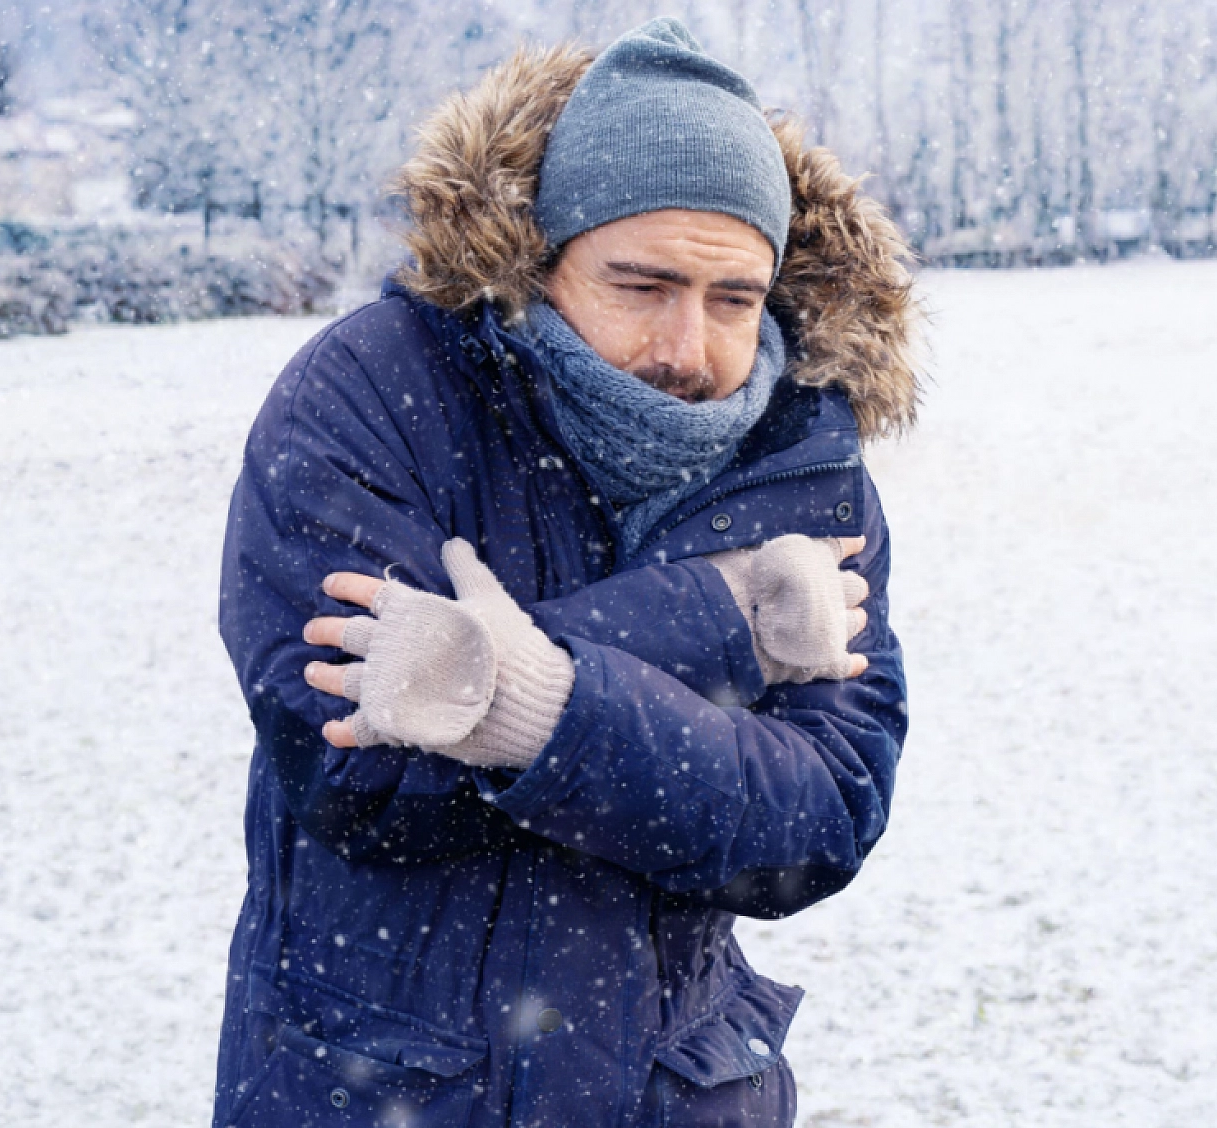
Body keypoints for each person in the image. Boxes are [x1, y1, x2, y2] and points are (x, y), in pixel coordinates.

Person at [212, 18, 919, 1128]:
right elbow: (361, 771)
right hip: (381, 1091)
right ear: (539, 256)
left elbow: (822, 819)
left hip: (676, 1096)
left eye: (734, 298)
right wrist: (720, 615)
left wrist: (493, 692)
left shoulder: (801, 463)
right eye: (641, 285)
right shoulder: (364, 396)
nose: (687, 347)